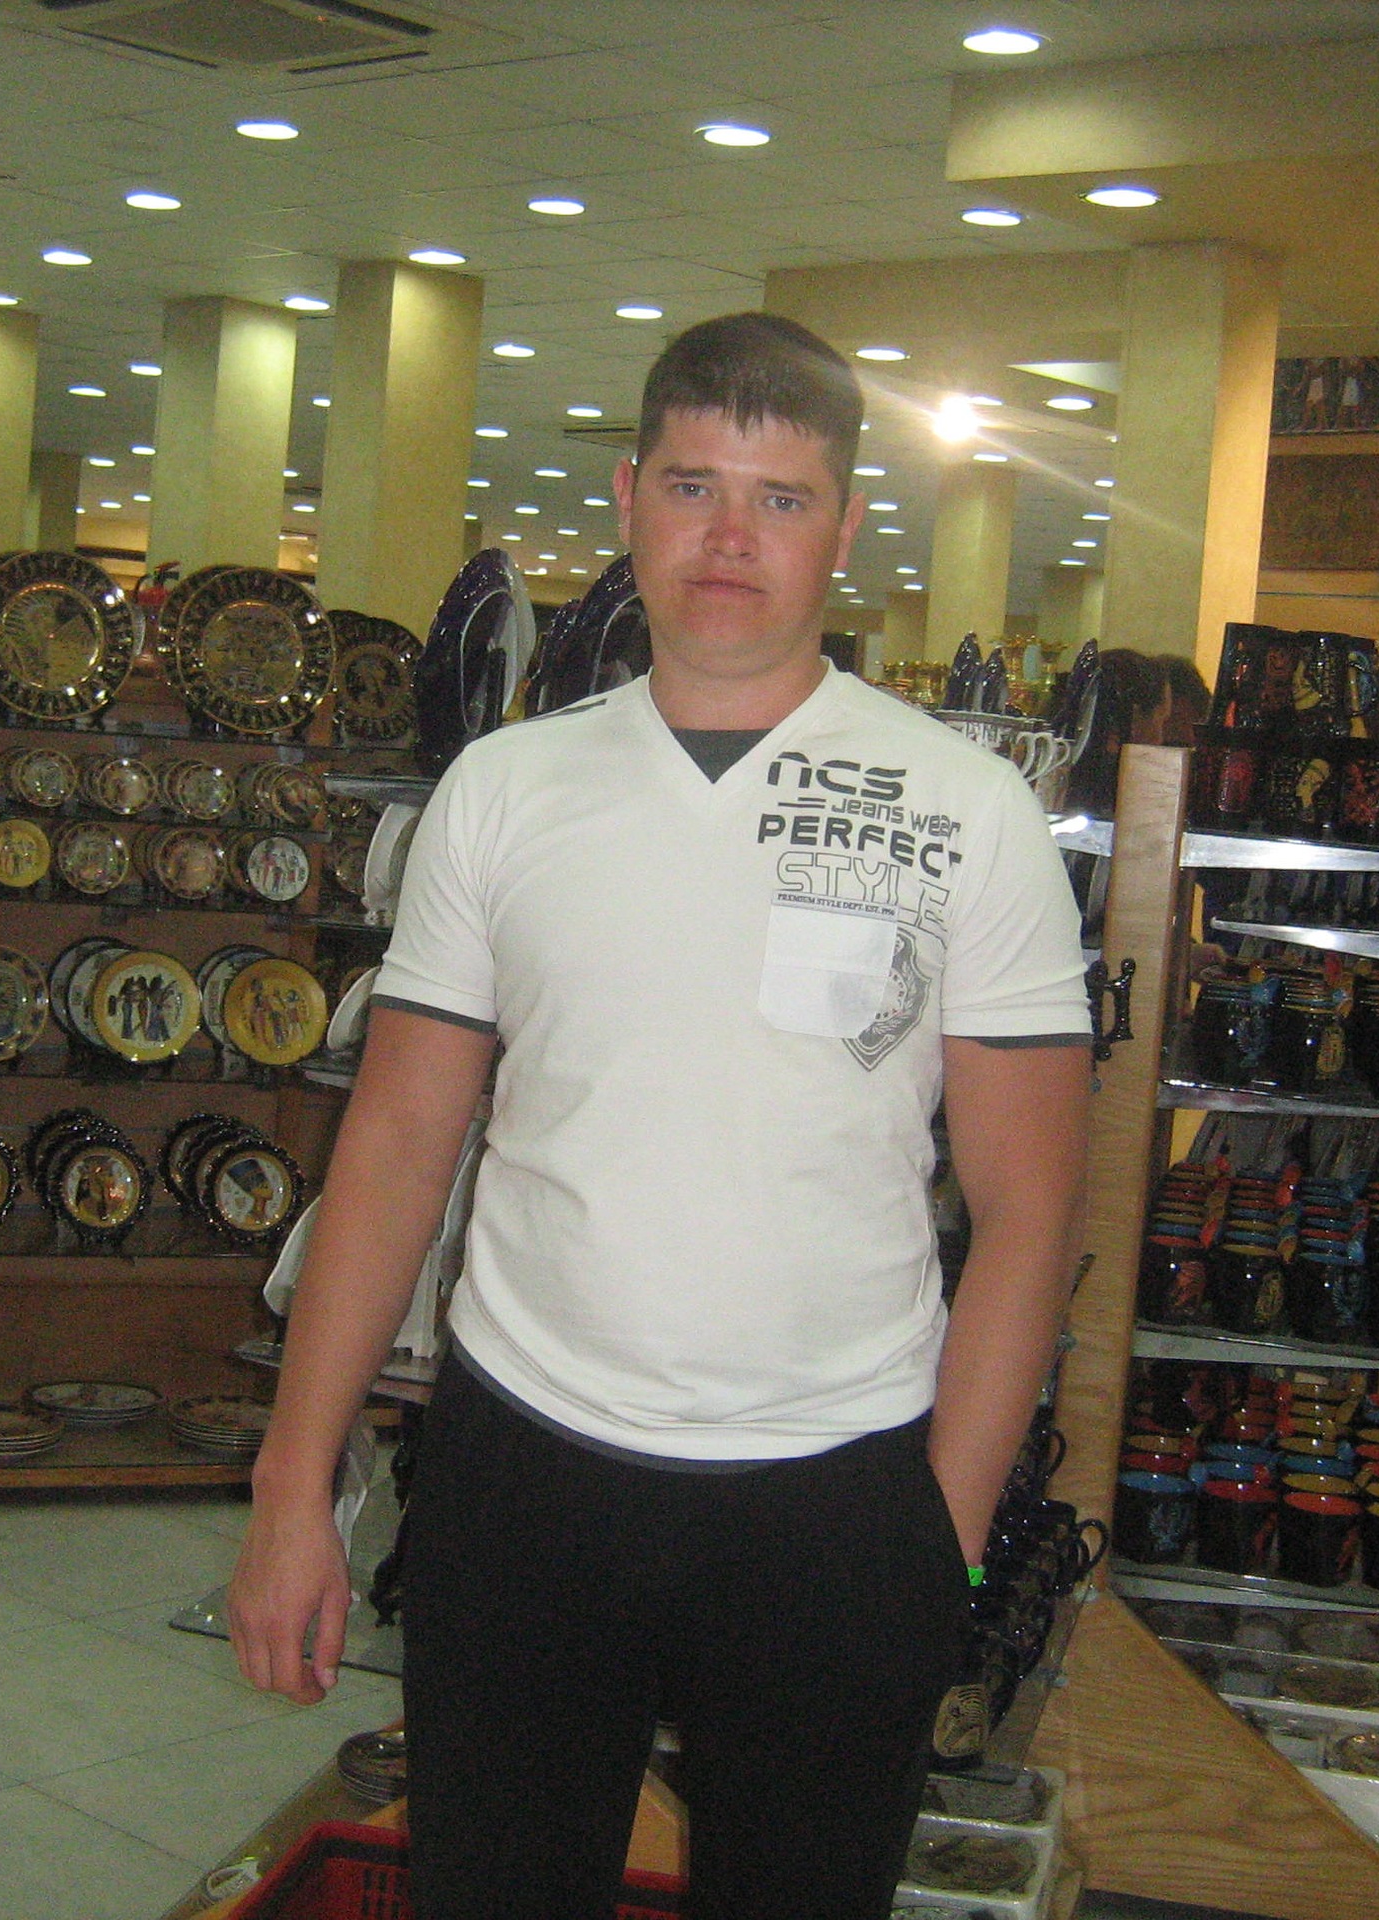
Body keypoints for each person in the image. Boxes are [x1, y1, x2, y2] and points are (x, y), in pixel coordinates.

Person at [228, 312, 1091, 1919]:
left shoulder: (967, 813)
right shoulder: (506, 790)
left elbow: (1031, 1208)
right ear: (629, 498)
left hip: (839, 1490)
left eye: (780, 498)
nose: (729, 539)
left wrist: (945, 1544)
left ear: (845, 524)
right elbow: (396, 1149)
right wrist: (296, 1486)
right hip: (525, 1471)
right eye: (694, 487)